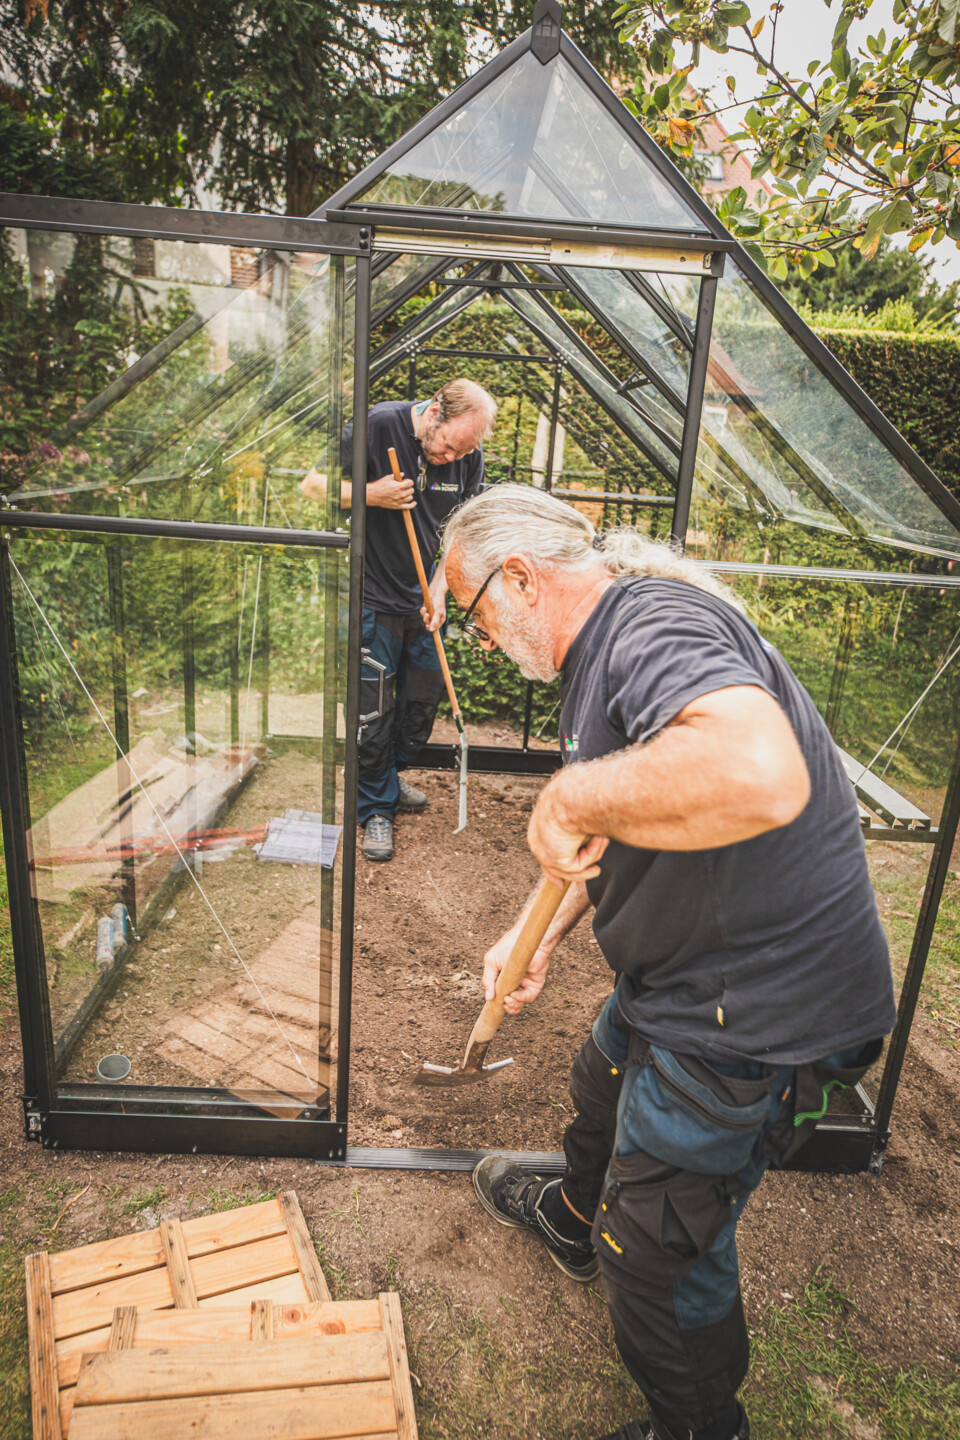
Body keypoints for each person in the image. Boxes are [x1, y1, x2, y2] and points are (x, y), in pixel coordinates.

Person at [439, 485, 895, 1440]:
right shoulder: (596, 654)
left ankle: (697, 1427)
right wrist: (536, 937)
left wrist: (566, 797)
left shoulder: (653, 626)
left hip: (762, 1015)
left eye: (475, 616)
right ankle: (573, 1218)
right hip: (684, 979)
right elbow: (616, 829)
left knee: (655, 1251)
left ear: (520, 577)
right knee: (599, 1083)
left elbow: (756, 769)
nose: (480, 641)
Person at [302, 378, 497, 861]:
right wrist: (373, 494)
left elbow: (460, 533)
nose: (452, 458)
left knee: (420, 702)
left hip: (423, 601)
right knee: (372, 709)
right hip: (371, 596)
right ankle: (374, 807)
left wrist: (440, 589)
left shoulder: (467, 455)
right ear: (433, 413)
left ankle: (386, 776)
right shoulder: (378, 425)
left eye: (463, 451)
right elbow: (312, 486)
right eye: (448, 446)